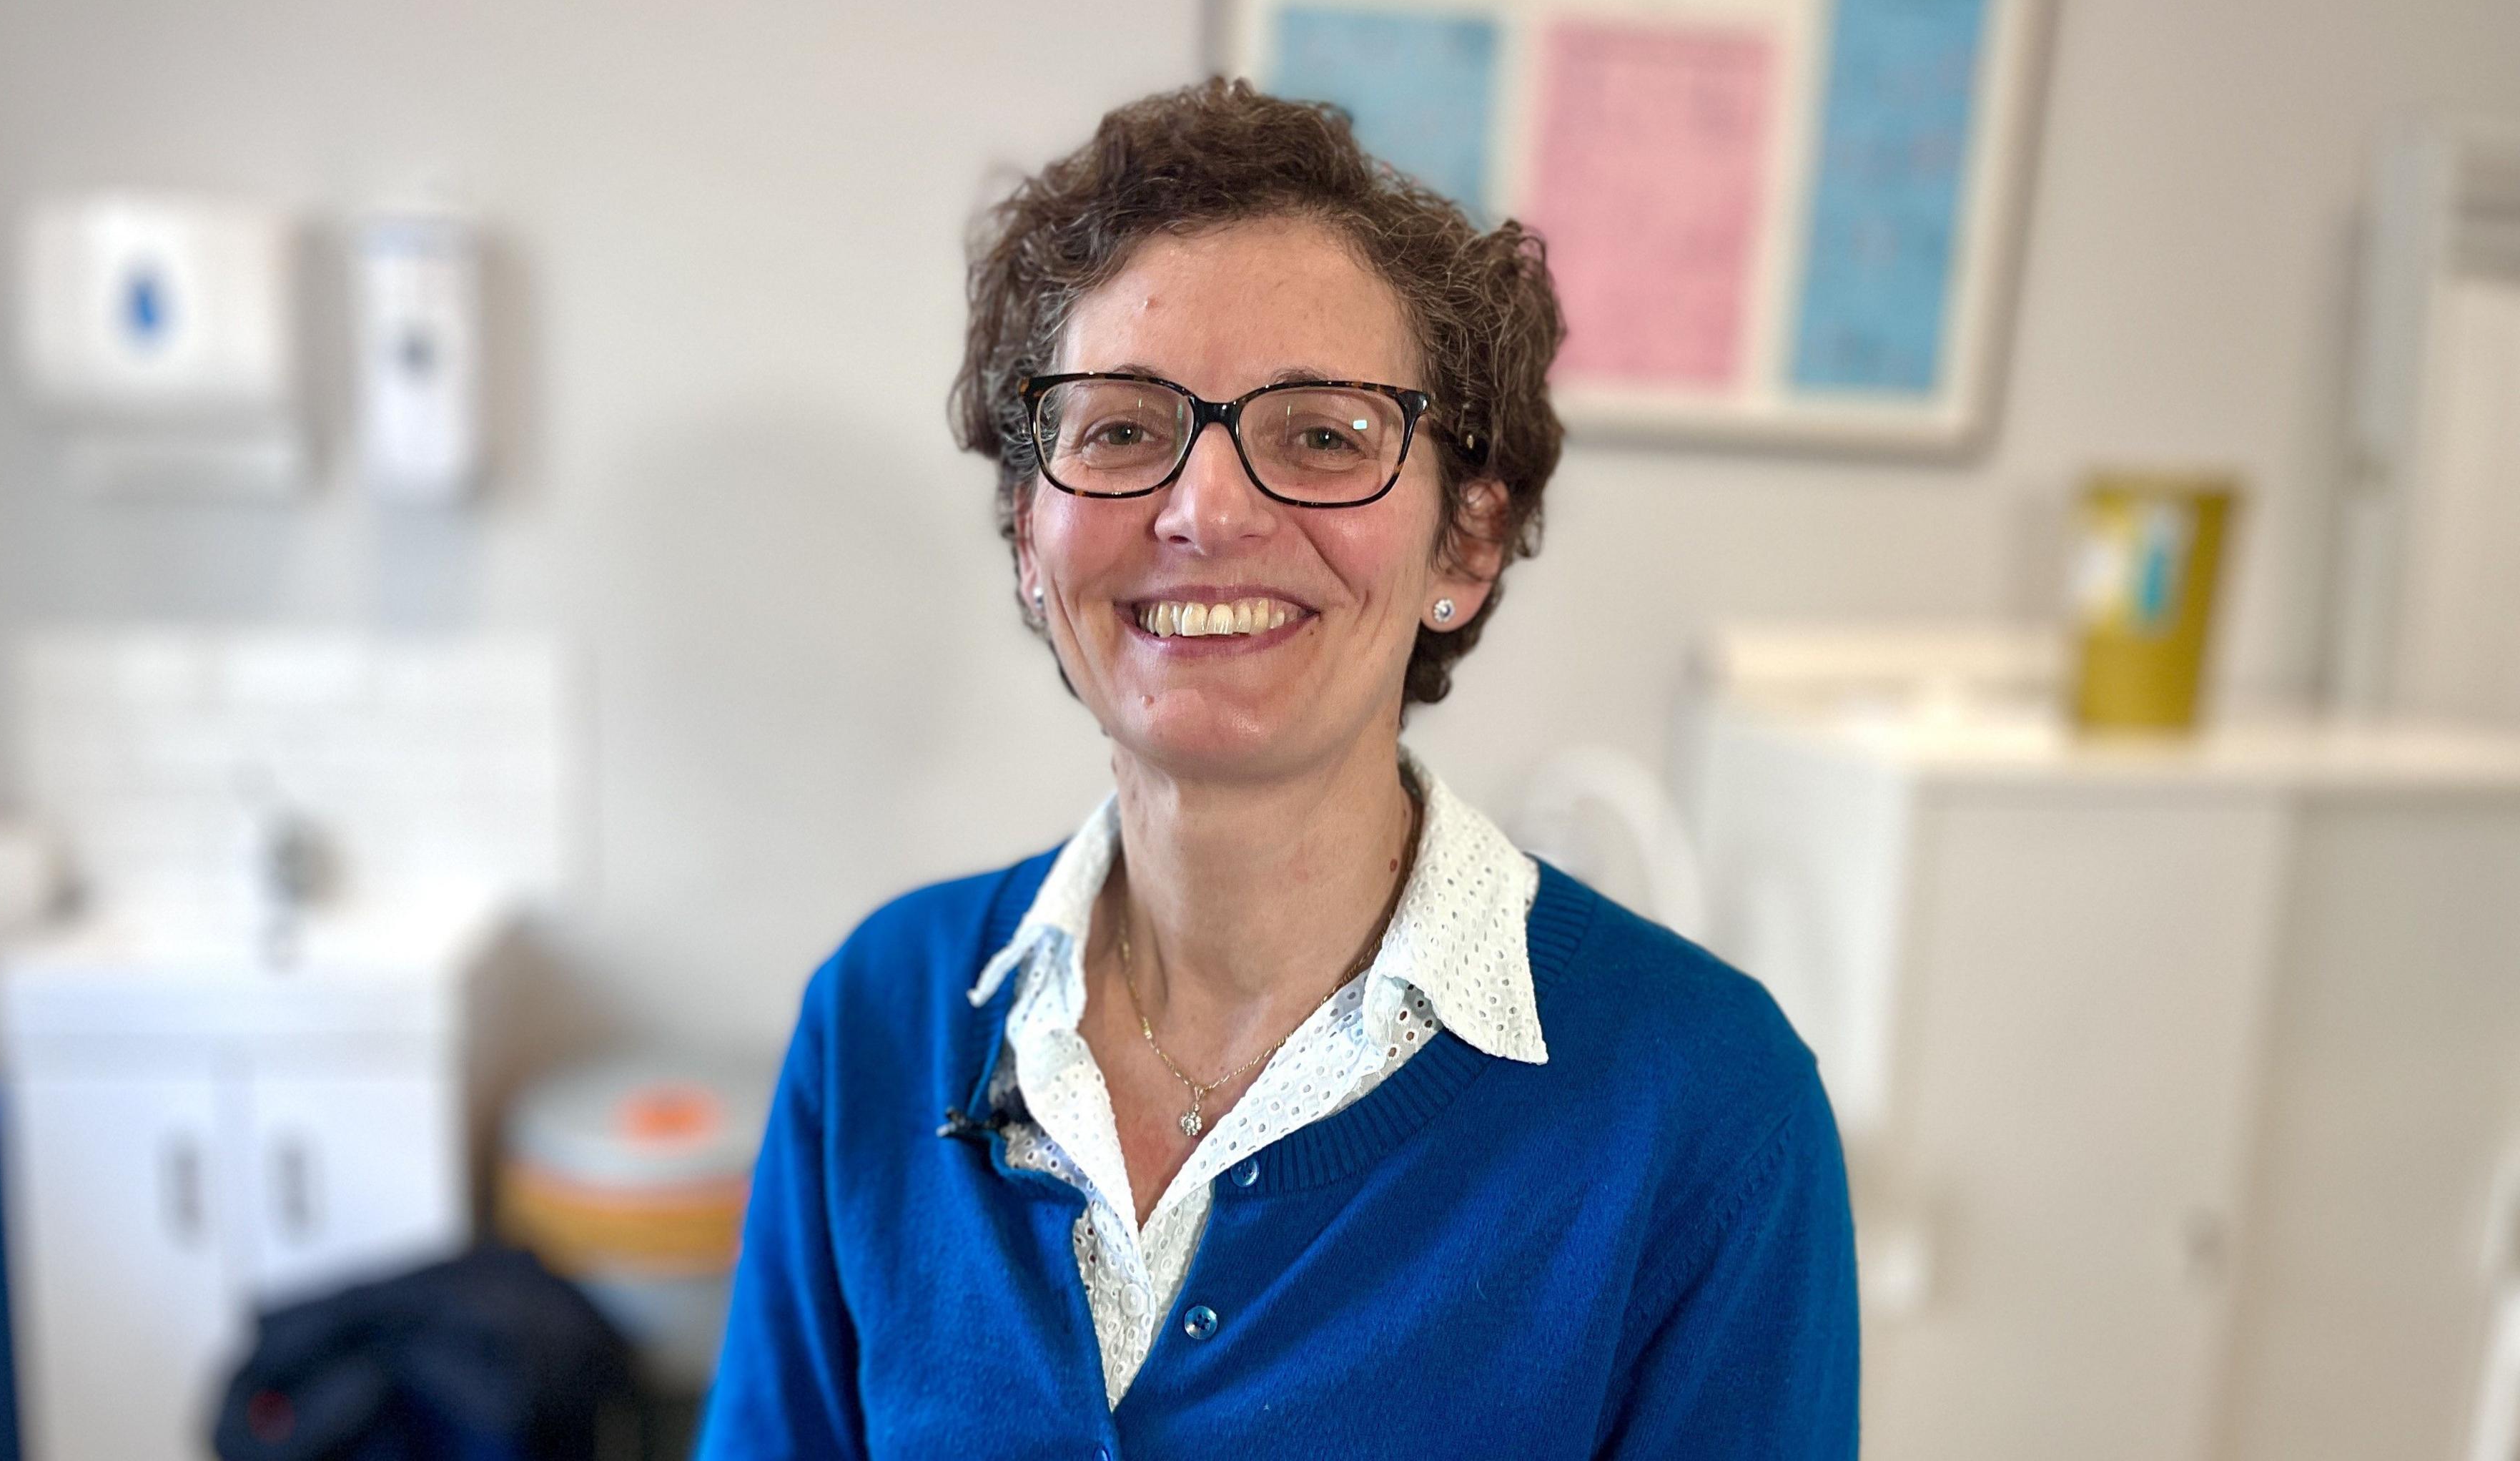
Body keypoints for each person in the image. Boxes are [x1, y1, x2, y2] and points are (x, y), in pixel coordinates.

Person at [699, 79, 1857, 1460]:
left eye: (1322, 436)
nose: (1208, 509)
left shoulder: (1706, 1115)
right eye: (1121, 428)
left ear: (1466, 543)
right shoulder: (881, 1019)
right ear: (1028, 532)